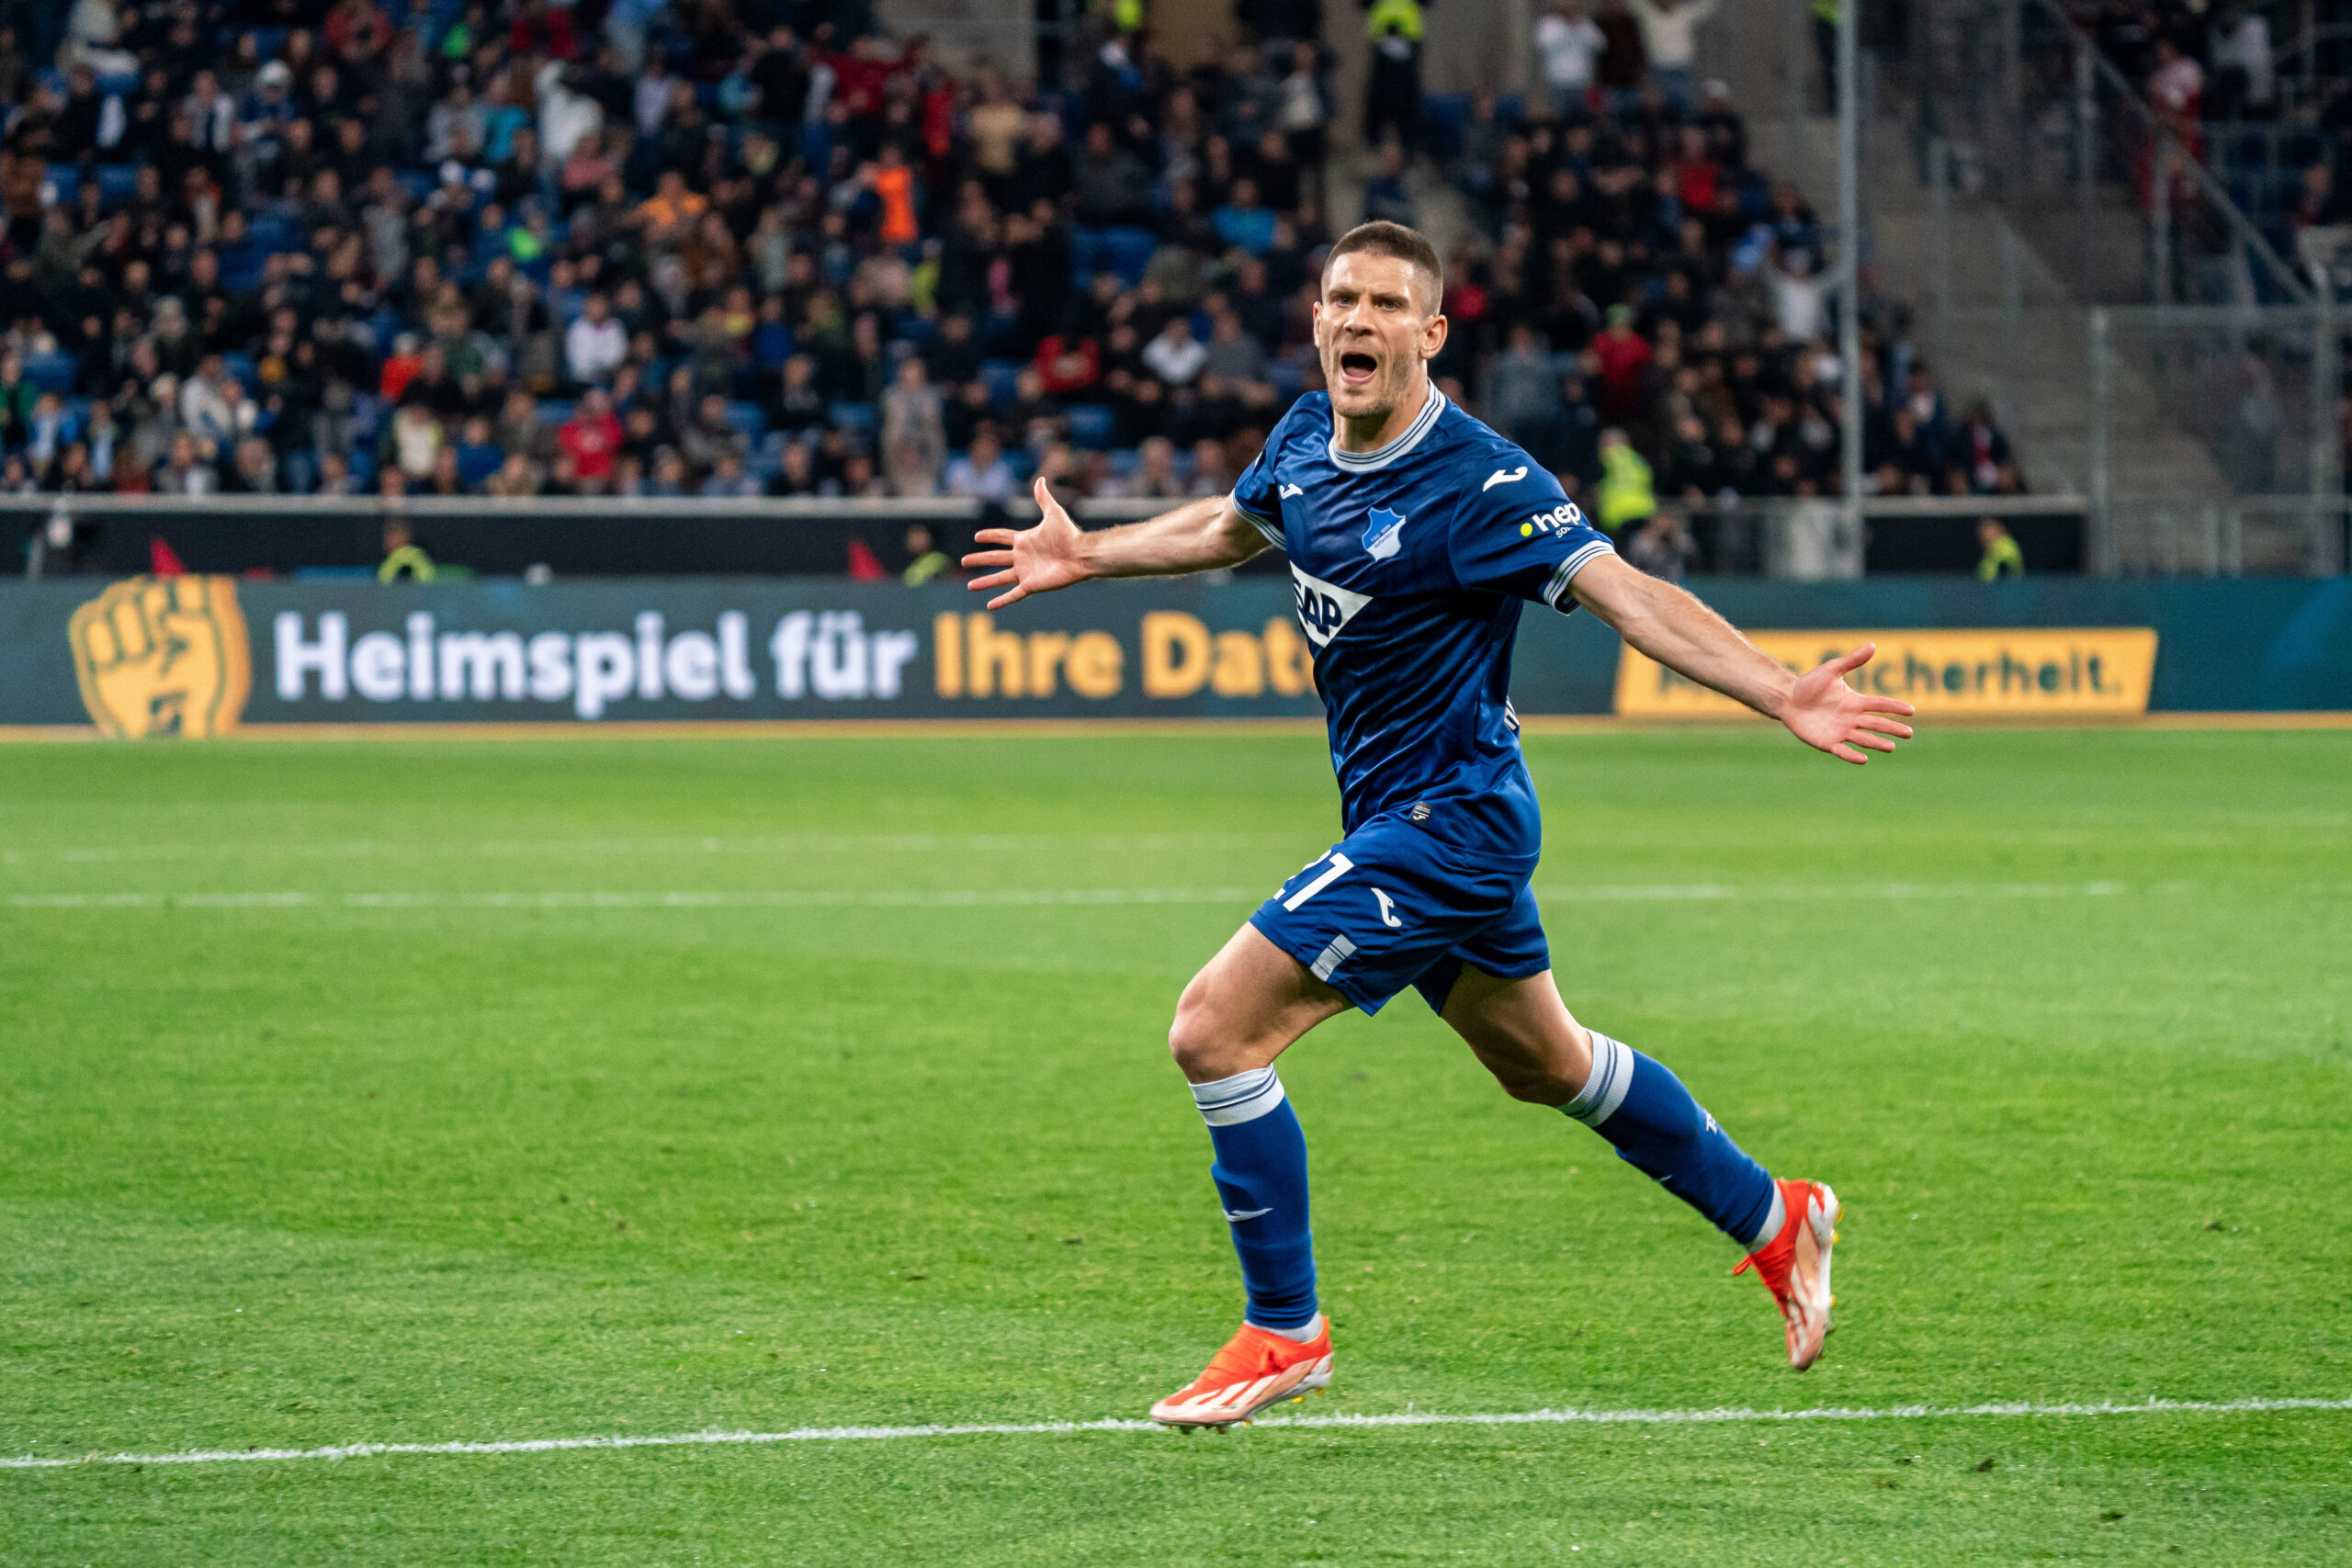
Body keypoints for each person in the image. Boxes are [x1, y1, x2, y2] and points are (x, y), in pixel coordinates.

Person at [963, 220, 1915, 1430]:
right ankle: (1775, 1214)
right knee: (1547, 1064)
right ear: (1317, 320)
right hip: (1412, 816)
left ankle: (1284, 1328)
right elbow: (1229, 526)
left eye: (1383, 304)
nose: (1356, 320)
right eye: (1340, 299)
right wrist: (1089, 554)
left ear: (1431, 333)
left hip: (1449, 824)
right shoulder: (1303, 436)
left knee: (1213, 1030)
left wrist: (1780, 690)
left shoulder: (1483, 483)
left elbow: (1629, 596)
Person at [1976, 517, 2023, 581]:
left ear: (1999, 528)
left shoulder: (2006, 548)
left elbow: (2009, 577)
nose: (1982, 533)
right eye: (1981, 529)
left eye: (1987, 528)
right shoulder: (1990, 549)